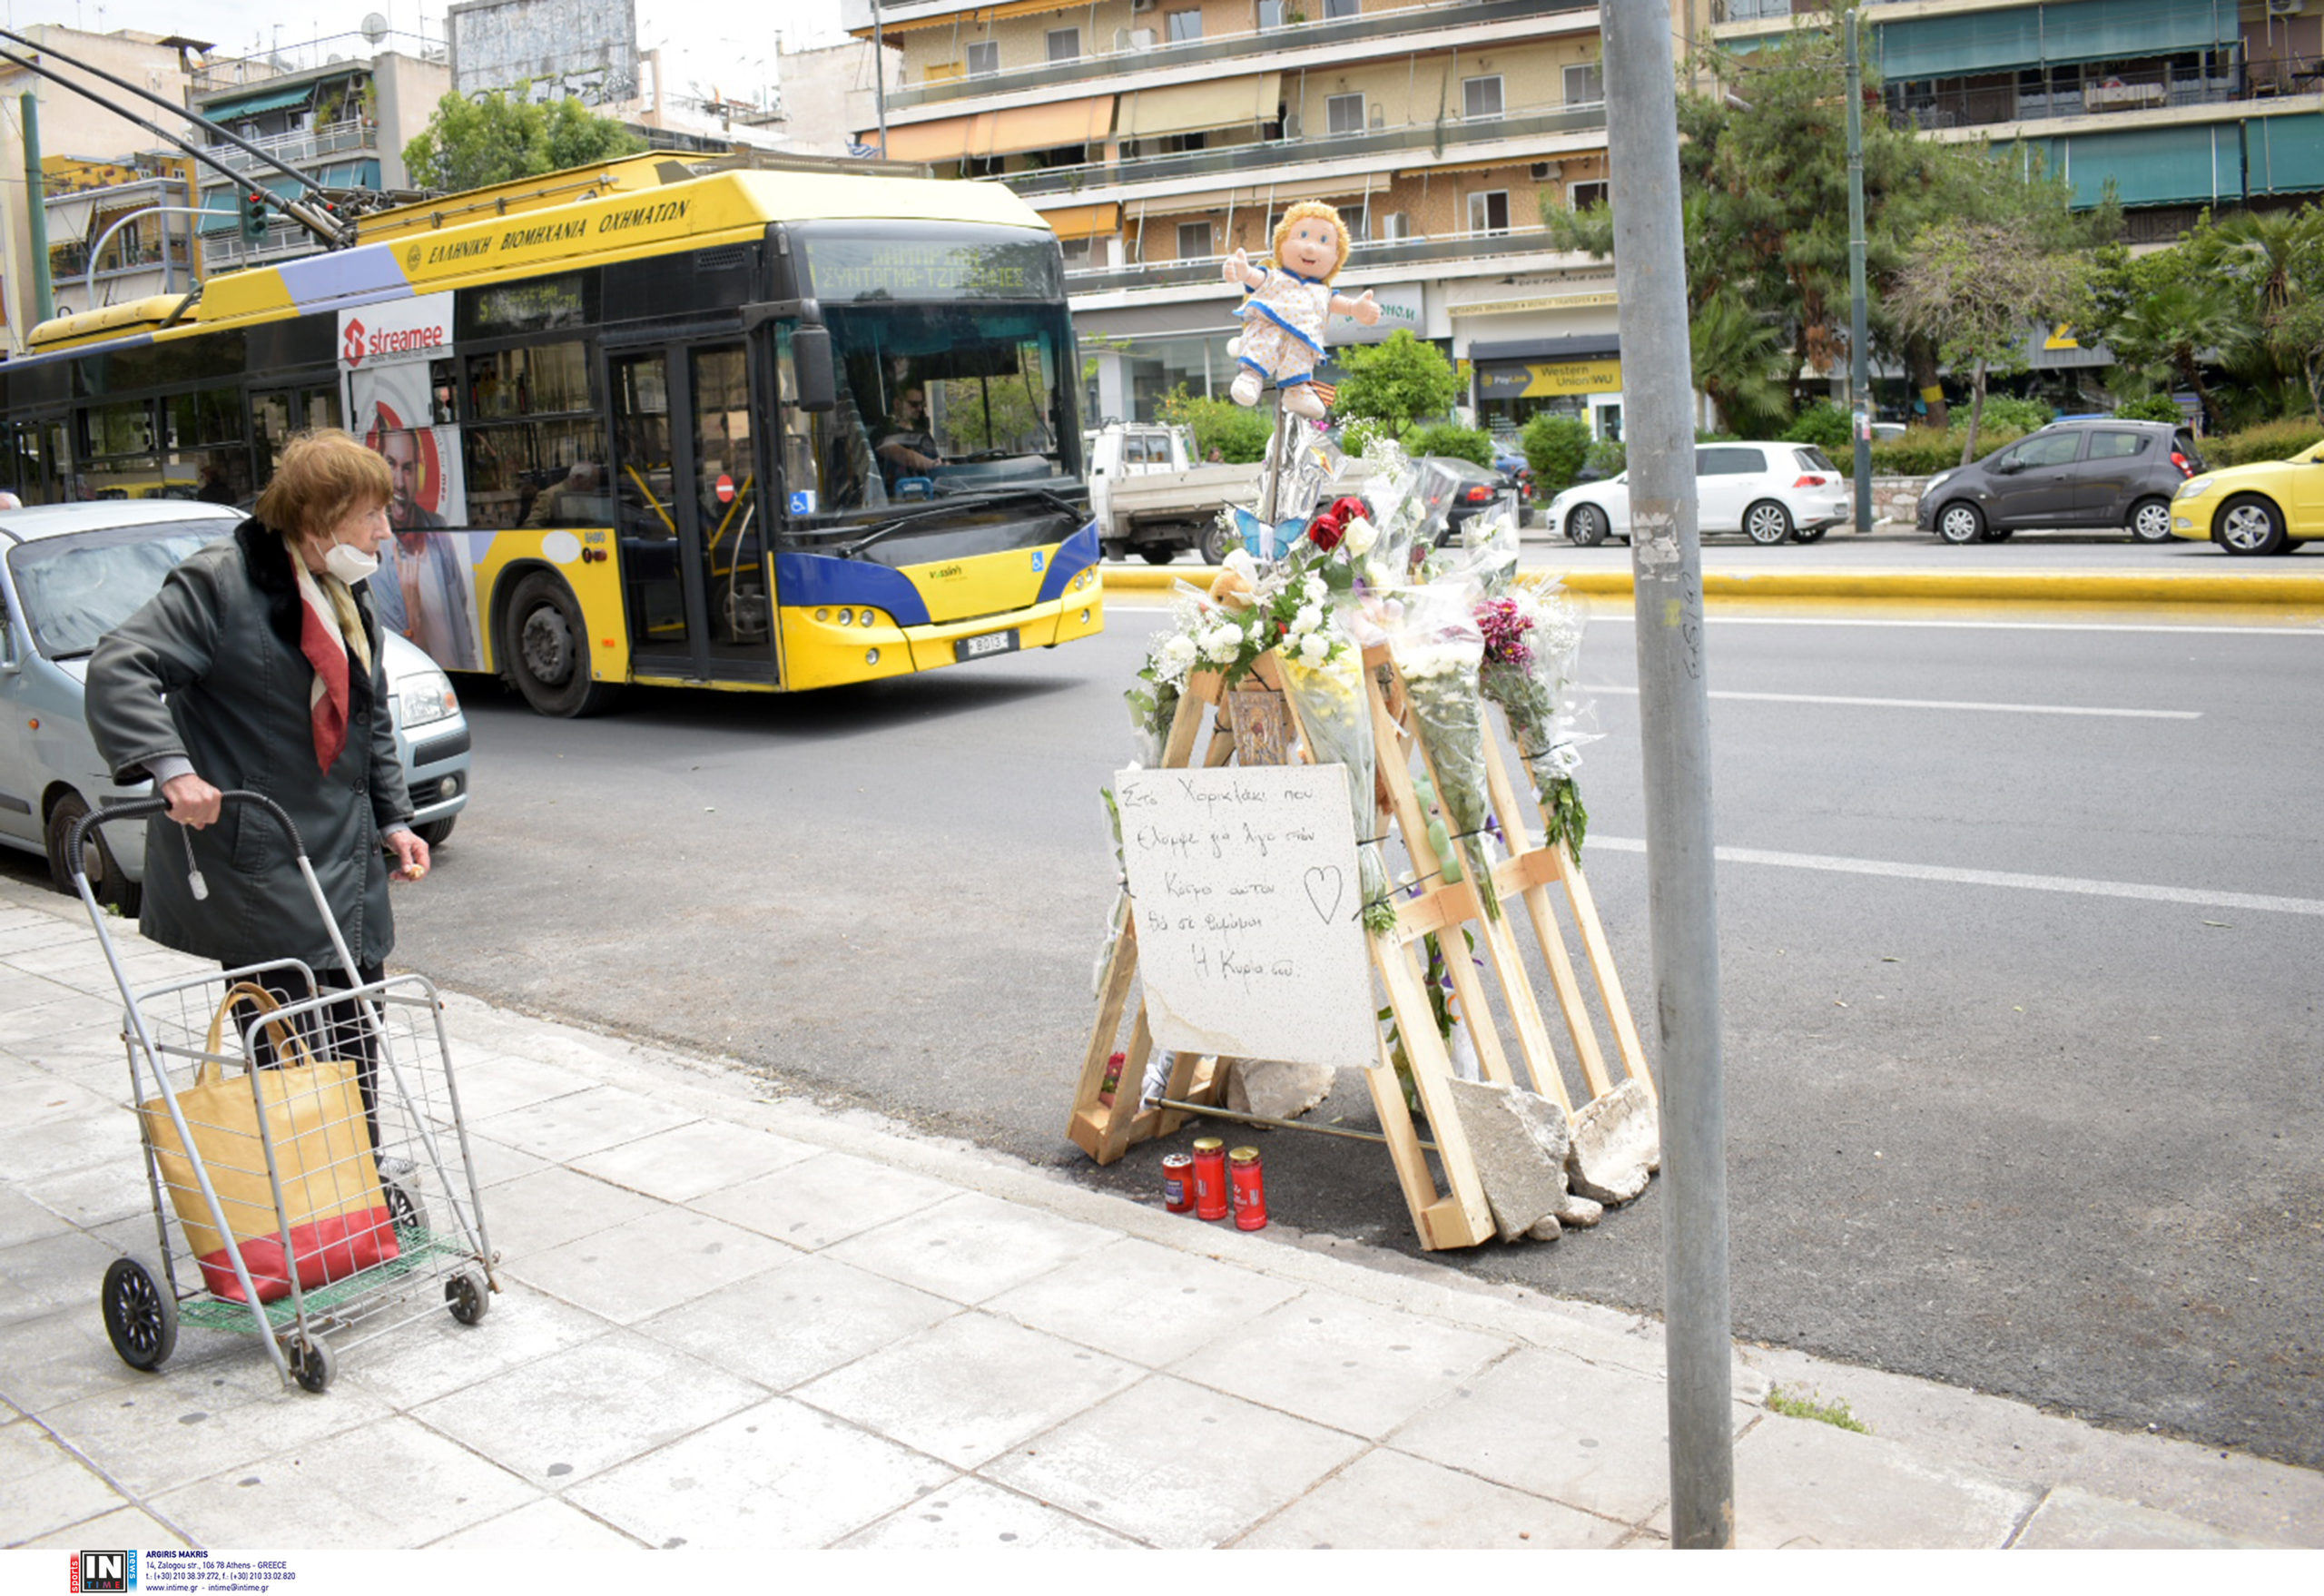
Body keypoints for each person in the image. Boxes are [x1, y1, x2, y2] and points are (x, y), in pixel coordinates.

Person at [86, 429, 429, 1053]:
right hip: (265, 865)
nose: (384, 531)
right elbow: (122, 665)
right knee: (290, 1064)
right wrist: (173, 771)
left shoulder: (346, 589)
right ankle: (319, 1155)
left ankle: (363, 1155)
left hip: (345, 862)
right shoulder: (222, 582)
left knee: (357, 1045)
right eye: (371, 515)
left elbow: (367, 714)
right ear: (318, 517)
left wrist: (394, 821)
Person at [379, 429, 445, 529]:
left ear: (417, 474)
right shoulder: (369, 529)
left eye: (407, 469)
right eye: (391, 464)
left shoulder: (437, 525)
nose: (400, 484)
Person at [873, 387, 942, 479]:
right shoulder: (883, 432)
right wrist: (932, 464)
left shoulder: (923, 433)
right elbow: (904, 455)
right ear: (897, 403)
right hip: (897, 491)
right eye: (914, 404)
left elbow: (936, 460)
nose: (919, 409)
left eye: (921, 404)